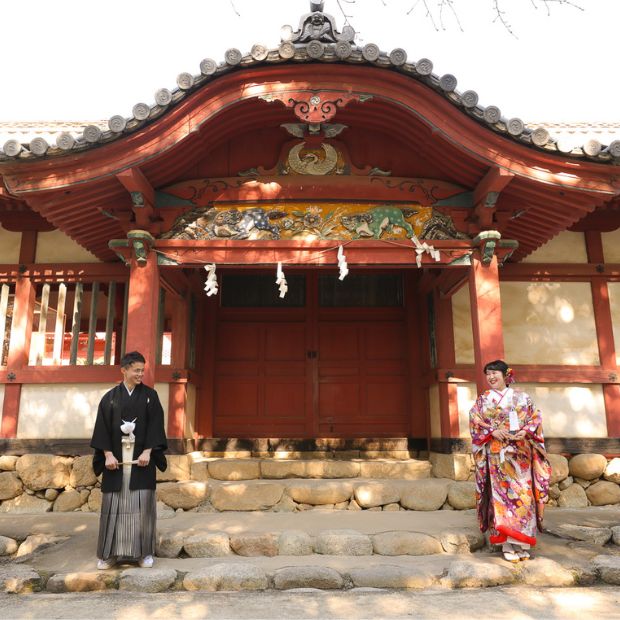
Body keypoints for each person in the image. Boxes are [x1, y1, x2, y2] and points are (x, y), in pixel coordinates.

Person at [91, 351, 167, 569]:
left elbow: (155, 426)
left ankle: (143, 554)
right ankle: (109, 555)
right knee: (113, 506)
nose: (140, 374)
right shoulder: (110, 398)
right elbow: (102, 429)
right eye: (136, 370)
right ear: (123, 370)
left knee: (142, 506)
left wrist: (148, 452)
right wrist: (107, 454)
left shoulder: (150, 397)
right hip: (115, 462)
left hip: (142, 462)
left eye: (142, 370)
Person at [469, 359, 550, 562]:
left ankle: (522, 542)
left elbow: (535, 418)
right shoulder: (484, 399)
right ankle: (506, 542)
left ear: (506, 375)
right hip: (497, 456)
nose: (491, 377)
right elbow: (474, 419)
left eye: (495, 372)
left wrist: (524, 431)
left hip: (520, 454)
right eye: (488, 373)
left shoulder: (522, 398)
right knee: (502, 497)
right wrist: (492, 431)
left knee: (523, 495)